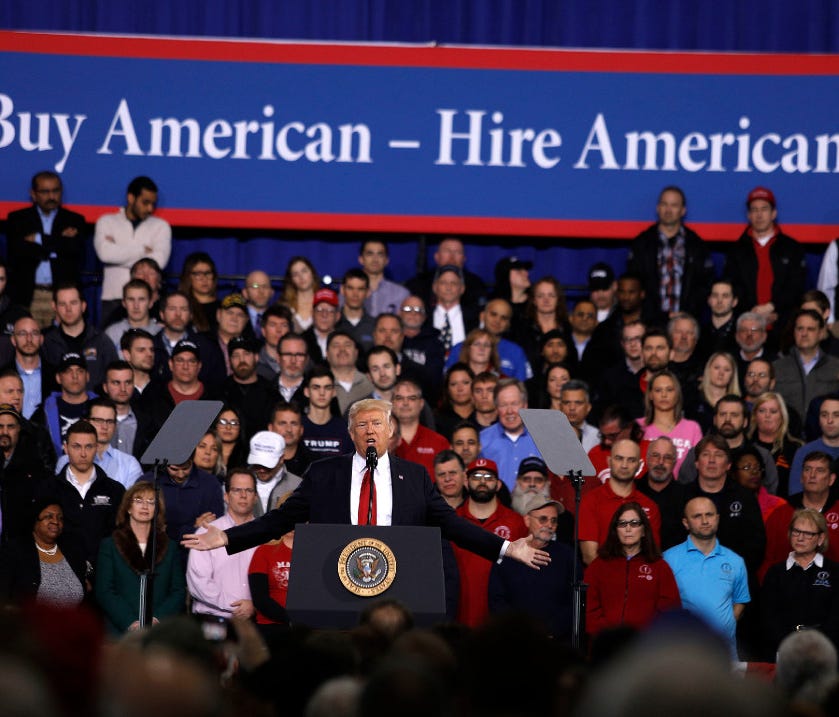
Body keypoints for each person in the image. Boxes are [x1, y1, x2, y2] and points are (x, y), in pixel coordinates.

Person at [182, 399, 552, 573]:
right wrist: (229, 537)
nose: (370, 430)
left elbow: (453, 525)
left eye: (378, 424)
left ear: (391, 431)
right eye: (362, 425)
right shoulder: (324, 473)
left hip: (398, 584)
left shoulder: (415, 477)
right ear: (350, 434)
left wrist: (506, 548)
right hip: (334, 581)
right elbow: (281, 519)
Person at [664, 496, 751, 657]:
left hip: (725, 656)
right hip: (683, 655)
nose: (705, 521)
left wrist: (725, 625)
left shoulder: (735, 561)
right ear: (685, 523)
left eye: (709, 515)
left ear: (717, 519)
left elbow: (740, 601)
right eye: (697, 516)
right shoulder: (668, 559)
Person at [95, 482, 185, 634]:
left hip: (159, 633)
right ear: (128, 508)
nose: (145, 506)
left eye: (151, 502)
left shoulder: (170, 547)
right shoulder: (109, 545)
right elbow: (104, 591)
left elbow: (178, 591)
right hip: (119, 632)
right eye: (139, 500)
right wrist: (130, 622)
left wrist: (156, 619)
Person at [488, 495, 579, 639]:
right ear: (527, 520)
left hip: (556, 642)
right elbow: (497, 600)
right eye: (543, 519)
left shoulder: (567, 555)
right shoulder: (508, 554)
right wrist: (519, 631)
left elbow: (574, 600)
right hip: (514, 640)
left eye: (554, 520)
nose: (549, 525)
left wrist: (551, 631)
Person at [452, 457, 528, 627]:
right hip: (460, 613)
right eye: (476, 476)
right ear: (466, 482)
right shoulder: (453, 522)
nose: (482, 482)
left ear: (498, 485)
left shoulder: (516, 522)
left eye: (488, 478)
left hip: (503, 617)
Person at [585, 502, 681, 636]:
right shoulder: (598, 566)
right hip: (605, 645)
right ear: (615, 530)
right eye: (622, 524)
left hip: (646, 647)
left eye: (634, 523)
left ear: (643, 530)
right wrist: (609, 636)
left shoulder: (660, 567)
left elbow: (670, 610)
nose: (628, 528)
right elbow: (590, 610)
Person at [5, 171, 87, 327]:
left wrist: (38, 239)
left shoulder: (75, 220)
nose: (51, 196)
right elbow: (18, 254)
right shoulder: (17, 219)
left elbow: (74, 252)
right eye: (45, 191)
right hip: (28, 296)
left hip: (61, 297)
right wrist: (59, 244)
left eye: (56, 191)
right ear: (33, 194)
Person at [724, 186, 806, 338]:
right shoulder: (736, 250)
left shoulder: (792, 248)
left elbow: (796, 287)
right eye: (754, 210)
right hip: (746, 327)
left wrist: (773, 308)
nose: (759, 215)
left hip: (784, 326)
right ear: (748, 215)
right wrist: (753, 314)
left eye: (764, 209)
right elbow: (732, 286)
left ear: (773, 213)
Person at [626, 185, 714, 324]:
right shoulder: (642, 243)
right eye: (664, 204)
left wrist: (689, 312)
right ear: (657, 208)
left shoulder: (696, 245)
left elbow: (705, 285)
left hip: (686, 322)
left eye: (674, 205)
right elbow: (634, 283)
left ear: (683, 210)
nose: (668, 210)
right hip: (649, 322)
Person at [50, 420, 125, 574]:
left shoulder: (115, 491)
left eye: (89, 446)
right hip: (59, 575)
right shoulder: (49, 489)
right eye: (76, 446)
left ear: (96, 448)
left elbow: (120, 537)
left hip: (104, 575)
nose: (83, 453)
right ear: (66, 448)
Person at [761, 509, 839, 658]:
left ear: (820, 538)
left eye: (808, 533)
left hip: (825, 651)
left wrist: (818, 645)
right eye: (796, 531)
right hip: (783, 651)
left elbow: (835, 618)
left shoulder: (835, 572)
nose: (800, 538)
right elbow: (768, 617)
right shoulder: (775, 572)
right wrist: (791, 645)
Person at [94, 176, 172, 322]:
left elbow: (158, 262)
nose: (150, 208)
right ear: (131, 198)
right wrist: (143, 250)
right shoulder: (106, 221)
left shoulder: (161, 226)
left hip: (148, 301)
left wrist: (118, 252)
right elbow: (105, 254)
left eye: (153, 204)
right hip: (114, 297)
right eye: (145, 202)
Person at [187, 468, 260, 620]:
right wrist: (237, 606)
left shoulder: (265, 534)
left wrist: (256, 605)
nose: (243, 495)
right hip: (213, 618)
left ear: (256, 497)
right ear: (226, 496)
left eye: (249, 490)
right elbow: (199, 582)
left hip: (255, 620)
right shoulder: (205, 532)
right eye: (236, 490)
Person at [578, 439, 661, 565]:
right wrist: (618, 581)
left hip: (639, 580)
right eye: (619, 458)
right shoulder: (590, 501)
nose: (624, 465)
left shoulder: (650, 505)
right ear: (609, 462)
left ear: (639, 465)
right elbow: (589, 556)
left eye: (631, 460)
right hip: (602, 581)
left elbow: (652, 554)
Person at [0, 495, 86, 606]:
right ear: (35, 520)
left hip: (74, 622)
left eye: (60, 518)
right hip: (29, 622)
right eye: (49, 516)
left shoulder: (72, 551)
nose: (55, 521)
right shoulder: (14, 550)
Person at [41, 283, 118, 391]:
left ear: (83, 306)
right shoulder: (47, 343)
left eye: (73, 303)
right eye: (63, 304)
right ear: (54, 307)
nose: (68, 309)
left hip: (96, 405)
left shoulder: (102, 341)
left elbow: (115, 380)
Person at [54, 397, 143, 489]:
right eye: (98, 421)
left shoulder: (129, 464)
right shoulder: (65, 461)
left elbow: (130, 501)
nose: (105, 426)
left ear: (115, 425)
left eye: (109, 421)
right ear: (86, 422)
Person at [774, 308, 839, 422]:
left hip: (825, 436)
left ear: (821, 333)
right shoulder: (777, 367)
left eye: (810, 329)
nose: (804, 334)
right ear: (794, 332)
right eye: (800, 329)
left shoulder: (836, 366)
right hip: (786, 435)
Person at [0, 403, 53, 544]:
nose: (5, 432)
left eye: (10, 426)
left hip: (22, 544)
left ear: (19, 429)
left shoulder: (33, 465)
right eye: (0, 426)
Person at [151, 291, 225, 389]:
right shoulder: (149, 346)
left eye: (184, 309)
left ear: (191, 315)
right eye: (172, 309)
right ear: (162, 314)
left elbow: (218, 385)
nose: (178, 314)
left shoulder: (207, 347)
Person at [446, 298, 532, 381]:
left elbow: (522, 387)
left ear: (508, 324)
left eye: (504, 318)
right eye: (493, 314)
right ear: (482, 316)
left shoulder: (516, 351)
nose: (497, 320)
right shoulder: (460, 348)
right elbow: (448, 383)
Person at [637, 369, 702, 476]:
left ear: (677, 394)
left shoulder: (692, 428)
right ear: (650, 395)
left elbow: (698, 465)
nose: (664, 395)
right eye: (658, 390)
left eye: (669, 390)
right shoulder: (638, 426)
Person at [478, 378, 540, 490]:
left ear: (525, 405)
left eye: (514, 404)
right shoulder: (482, 440)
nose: (510, 411)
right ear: (496, 409)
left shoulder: (543, 437)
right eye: (503, 405)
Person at [404, 237, 487, 315]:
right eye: (447, 251)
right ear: (436, 257)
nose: (452, 257)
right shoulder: (419, 283)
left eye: (457, 252)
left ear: (464, 258)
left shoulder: (476, 284)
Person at [35, 351, 95, 456]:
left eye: (80, 371)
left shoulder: (101, 407)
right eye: (68, 371)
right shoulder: (45, 411)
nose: (75, 376)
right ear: (58, 378)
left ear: (88, 376)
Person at [221, 335, 279, 441]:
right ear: (229, 361)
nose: (241, 360)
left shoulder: (271, 392)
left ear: (256, 357)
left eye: (246, 354)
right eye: (236, 355)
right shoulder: (219, 392)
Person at [636, 436, 687, 551]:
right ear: (647, 459)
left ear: (675, 462)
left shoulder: (686, 496)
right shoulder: (632, 490)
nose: (660, 462)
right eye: (655, 456)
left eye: (667, 457)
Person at [749, 391, 802, 498]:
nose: (767, 415)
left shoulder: (796, 449)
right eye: (762, 411)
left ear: (782, 416)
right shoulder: (747, 447)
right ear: (755, 416)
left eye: (773, 411)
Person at [393, 378, 449, 477]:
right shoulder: (382, 442)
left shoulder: (439, 442)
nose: (405, 403)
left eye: (412, 398)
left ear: (421, 403)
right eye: (399, 398)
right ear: (392, 403)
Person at [100, 360, 155, 460]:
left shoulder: (148, 423)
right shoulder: (93, 421)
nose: (123, 388)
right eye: (116, 383)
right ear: (105, 387)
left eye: (128, 382)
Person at [513, 276, 569, 372]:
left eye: (551, 295)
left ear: (558, 300)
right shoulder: (522, 328)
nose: (546, 300)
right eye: (540, 296)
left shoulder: (568, 328)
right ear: (534, 300)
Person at [248, 521, 295, 633]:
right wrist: (290, 619)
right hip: (271, 626)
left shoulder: (313, 553)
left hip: (308, 628)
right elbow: (260, 598)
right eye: (290, 518)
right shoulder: (263, 551)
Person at [788, 397, 839, 495]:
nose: (829, 420)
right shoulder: (804, 452)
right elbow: (795, 494)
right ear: (819, 420)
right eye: (824, 415)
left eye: (836, 415)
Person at [6, 315, 54, 419]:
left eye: (34, 333)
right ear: (13, 340)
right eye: (22, 334)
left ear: (41, 339)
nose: (29, 339)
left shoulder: (56, 375)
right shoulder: (2, 375)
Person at [301, 365, 353, 457]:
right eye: (316, 387)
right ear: (306, 392)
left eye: (327, 387)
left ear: (334, 392)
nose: (322, 393)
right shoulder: (297, 427)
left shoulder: (345, 429)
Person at [247, 430, 302, 517]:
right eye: (257, 464)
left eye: (267, 466)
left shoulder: (298, 486)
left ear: (281, 459)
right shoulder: (238, 482)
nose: (262, 470)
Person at [732, 445, 788, 524]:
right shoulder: (726, 503)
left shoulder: (779, 506)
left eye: (757, 467)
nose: (754, 472)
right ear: (733, 474)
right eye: (747, 468)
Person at [104, 279, 161, 351]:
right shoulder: (112, 333)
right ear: (124, 303)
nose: (136, 306)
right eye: (131, 299)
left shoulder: (159, 332)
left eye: (141, 299)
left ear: (150, 303)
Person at [358, 239, 409, 318]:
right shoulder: (349, 291)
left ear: (386, 260)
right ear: (361, 259)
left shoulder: (401, 294)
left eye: (380, 254)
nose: (375, 259)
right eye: (370, 254)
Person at [325, 331, 373, 414]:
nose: (342, 349)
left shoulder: (371, 382)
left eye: (347, 345)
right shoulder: (321, 385)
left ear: (356, 352)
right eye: (336, 346)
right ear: (327, 354)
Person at [693, 352, 740, 432]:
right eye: (717, 368)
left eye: (726, 370)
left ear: (732, 375)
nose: (721, 373)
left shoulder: (738, 403)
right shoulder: (693, 398)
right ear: (708, 370)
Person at [268, 401, 315, 478]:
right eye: (282, 423)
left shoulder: (314, 464)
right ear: (270, 428)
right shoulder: (258, 463)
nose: (289, 429)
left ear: (301, 430)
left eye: (294, 424)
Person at [178, 252, 219, 334]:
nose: (204, 278)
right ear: (188, 277)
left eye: (208, 273)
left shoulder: (223, 307)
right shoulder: (182, 306)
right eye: (198, 274)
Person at [336, 268, 376, 352]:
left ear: (368, 292)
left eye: (360, 289)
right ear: (342, 290)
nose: (355, 294)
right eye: (350, 288)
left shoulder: (375, 326)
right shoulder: (333, 323)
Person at [698, 278, 739, 359]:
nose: (719, 301)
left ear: (734, 301)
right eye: (715, 295)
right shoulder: (699, 332)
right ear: (709, 300)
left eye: (725, 296)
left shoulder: (741, 332)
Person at [433, 363, 475, 441]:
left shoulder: (482, 417)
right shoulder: (437, 419)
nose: (460, 389)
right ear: (447, 389)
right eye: (454, 384)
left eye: (465, 383)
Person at [558, 380, 598, 452]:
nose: (572, 408)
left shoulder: (597, 436)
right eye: (567, 403)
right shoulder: (549, 434)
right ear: (560, 407)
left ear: (588, 407)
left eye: (578, 403)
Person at [302, 288, 341, 364]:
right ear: (312, 313)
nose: (324, 315)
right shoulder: (301, 341)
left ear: (337, 316)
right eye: (319, 309)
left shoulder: (348, 342)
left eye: (330, 310)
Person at [281, 256, 319, 332]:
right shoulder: (284, 307)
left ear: (312, 273)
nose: (301, 277)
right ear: (291, 280)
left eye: (304, 271)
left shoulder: (324, 303)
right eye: (295, 274)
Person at [256, 304, 293, 381]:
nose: (278, 330)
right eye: (273, 325)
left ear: (289, 330)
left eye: (283, 325)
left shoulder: (302, 361)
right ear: (263, 331)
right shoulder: (254, 363)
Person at [213, 405, 249, 471]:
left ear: (240, 427)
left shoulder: (248, 456)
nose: (228, 427)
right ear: (216, 425)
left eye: (234, 423)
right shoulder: (205, 452)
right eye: (223, 422)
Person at [241, 269, 275, 340]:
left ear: (271, 292)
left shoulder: (278, 318)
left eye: (265, 286)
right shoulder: (238, 316)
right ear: (245, 293)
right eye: (255, 286)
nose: (261, 291)